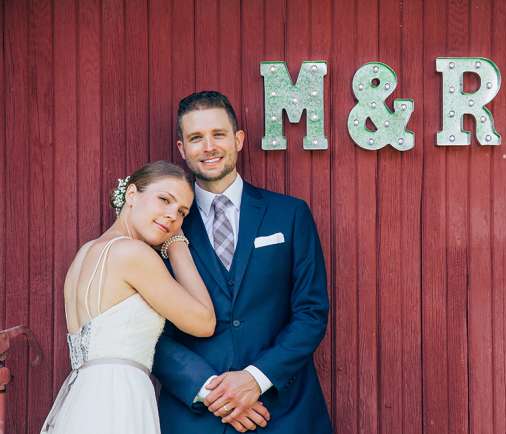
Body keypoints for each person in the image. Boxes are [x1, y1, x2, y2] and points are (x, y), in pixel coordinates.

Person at [153, 91, 332, 434]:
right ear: (181, 149)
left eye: (218, 134)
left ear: (238, 140)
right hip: (196, 418)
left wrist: (255, 379)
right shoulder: (163, 226)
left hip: (284, 413)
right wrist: (212, 392)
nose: (208, 147)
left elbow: (311, 312)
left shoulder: (290, 215)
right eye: (196, 138)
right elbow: (151, 330)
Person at [41, 161, 217, 434]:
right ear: (132, 194)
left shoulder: (85, 253)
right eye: (164, 200)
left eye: (182, 212)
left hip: (82, 398)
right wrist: (176, 243)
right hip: (118, 397)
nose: (172, 216)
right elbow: (204, 321)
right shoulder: (133, 254)